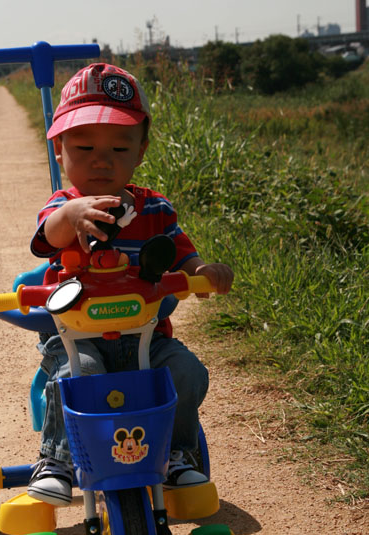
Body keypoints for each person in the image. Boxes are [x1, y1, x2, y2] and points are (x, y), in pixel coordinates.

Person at [27, 63, 233, 506]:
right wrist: (73, 216)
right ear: (59, 150)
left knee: (185, 372)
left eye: (120, 147)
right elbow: (50, 234)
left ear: (141, 150)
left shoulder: (155, 208)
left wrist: (203, 273)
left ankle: (174, 452)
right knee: (80, 376)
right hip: (76, 338)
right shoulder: (62, 205)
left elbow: (182, 254)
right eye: (84, 147)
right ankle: (58, 460)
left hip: (146, 336)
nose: (102, 159)